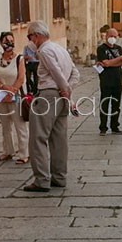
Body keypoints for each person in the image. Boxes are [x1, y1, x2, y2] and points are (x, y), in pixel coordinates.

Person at [24, 20, 79, 192]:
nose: (30, 40)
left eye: (30, 36)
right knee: (59, 139)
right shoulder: (60, 49)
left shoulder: (44, 51)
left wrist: (65, 88)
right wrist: (67, 91)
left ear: (37, 35)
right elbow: (75, 73)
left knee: (38, 138)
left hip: (48, 95)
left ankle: (41, 179)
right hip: (61, 98)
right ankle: (59, 177)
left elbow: (55, 72)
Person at [0, 31, 29, 164]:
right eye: (6, 40)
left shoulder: (19, 59)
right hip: (2, 95)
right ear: (1, 42)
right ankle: (7, 150)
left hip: (16, 96)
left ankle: (24, 153)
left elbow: (21, 78)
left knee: (20, 125)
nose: (9, 43)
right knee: (5, 125)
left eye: (11, 40)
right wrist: (3, 87)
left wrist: (12, 91)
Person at [96, 28, 122, 135]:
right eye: (111, 36)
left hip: (118, 79)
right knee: (104, 103)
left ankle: (115, 126)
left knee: (116, 105)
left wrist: (110, 63)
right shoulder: (101, 49)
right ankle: (103, 127)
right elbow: (105, 62)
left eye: (115, 36)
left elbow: (119, 63)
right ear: (106, 36)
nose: (112, 38)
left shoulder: (119, 48)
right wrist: (118, 60)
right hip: (106, 80)